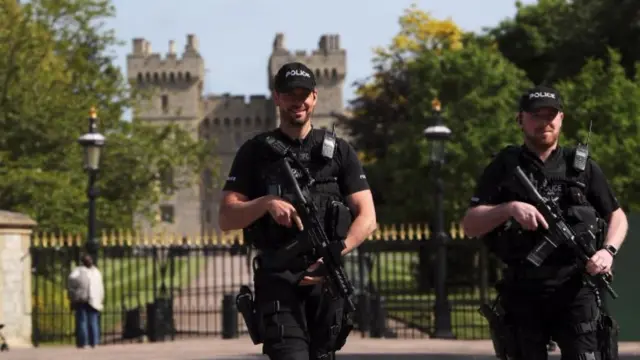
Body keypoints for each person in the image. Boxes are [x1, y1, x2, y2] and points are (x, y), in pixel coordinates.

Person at [219, 61, 377, 360]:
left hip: (327, 282)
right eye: (290, 94)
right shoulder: (255, 152)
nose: (298, 102)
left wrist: (335, 252)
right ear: (277, 97)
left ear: (315, 97)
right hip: (279, 281)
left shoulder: (339, 151)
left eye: (304, 94)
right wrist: (265, 203)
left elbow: (367, 218)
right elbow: (226, 217)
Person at [462, 85, 628, 360]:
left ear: (562, 118)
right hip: (523, 291)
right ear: (520, 120)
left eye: (551, 115)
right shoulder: (505, 165)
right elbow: (470, 224)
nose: (545, 122)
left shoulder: (582, 166)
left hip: (576, 288)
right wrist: (509, 208)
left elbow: (616, 215)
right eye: (536, 115)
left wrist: (607, 251)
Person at [67, 253, 104, 349]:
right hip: (86, 299)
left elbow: (71, 281)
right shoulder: (95, 272)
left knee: (86, 321)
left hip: (84, 298)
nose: (89, 261)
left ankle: (87, 342)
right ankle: (92, 342)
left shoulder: (79, 271)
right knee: (90, 321)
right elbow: (100, 288)